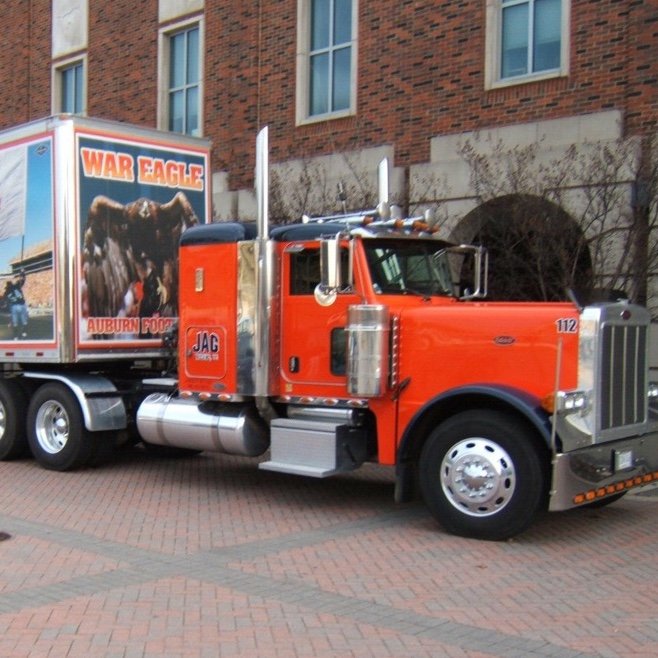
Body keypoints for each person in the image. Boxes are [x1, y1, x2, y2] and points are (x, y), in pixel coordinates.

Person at [6, 270, 28, 339]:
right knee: (18, 322)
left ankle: (20, 334)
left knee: (22, 321)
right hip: (17, 306)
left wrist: (22, 273)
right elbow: (22, 280)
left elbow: (22, 280)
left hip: (18, 305)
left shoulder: (15, 286)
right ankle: (18, 335)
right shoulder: (10, 290)